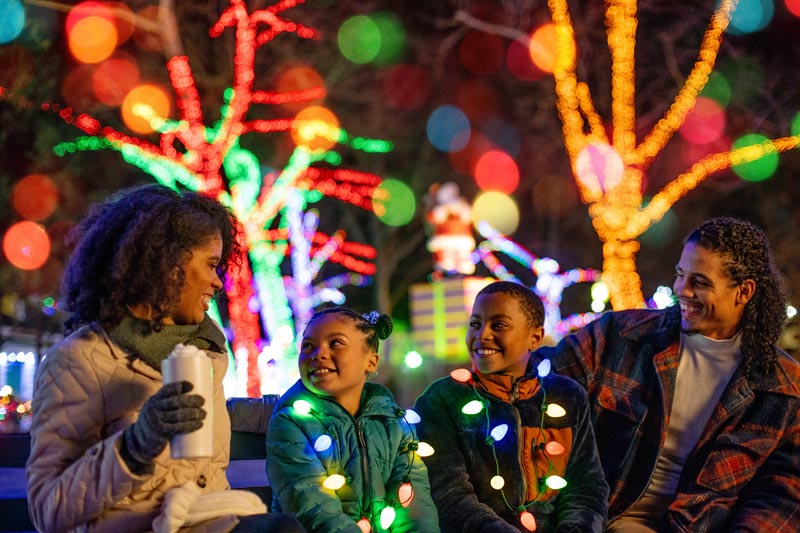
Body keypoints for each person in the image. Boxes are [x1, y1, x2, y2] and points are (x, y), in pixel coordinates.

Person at [26, 184, 304, 533]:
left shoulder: (204, 351)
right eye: (211, 264)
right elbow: (47, 508)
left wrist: (293, 406)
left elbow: (211, 429)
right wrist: (136, 445)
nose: (219, 282)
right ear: (168, 265)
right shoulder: (78, 360)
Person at [538, 216, 800, 531]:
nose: (682, 290)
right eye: (680, 274)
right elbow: (537, 383)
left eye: (699, 282)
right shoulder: (618, 337)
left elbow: (783, 493)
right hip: (595, 517)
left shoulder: (783, 390)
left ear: (743, 292)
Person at [414, 281, 609, 532]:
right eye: (475, 323)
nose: (482, 334)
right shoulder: (443, 399)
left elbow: (586, 487)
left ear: (535, 337)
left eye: (499, 325)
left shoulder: (567, 397)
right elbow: (449, 495)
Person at [266, 307, 441, 533]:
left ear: (371, 361)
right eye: (308, 346)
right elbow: (313, 509)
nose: (318, 354)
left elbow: (413, 500)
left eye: (335, 343)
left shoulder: (394, 422)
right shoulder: (290, 423)